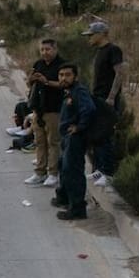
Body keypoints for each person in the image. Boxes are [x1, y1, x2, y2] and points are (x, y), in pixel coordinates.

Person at [82, 21, 126, 186]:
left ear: (102, 34)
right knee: (98, 136)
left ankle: (108, 173)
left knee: (106, 135)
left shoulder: (113, 50)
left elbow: (120, 73)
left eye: (92, 35)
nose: (89, 38)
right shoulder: (99, 52)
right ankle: (99, 170)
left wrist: (111, 97)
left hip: (106, 99)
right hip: (97, 97)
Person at [51, 64, 95, 221]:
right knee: (63, 167)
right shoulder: (68, 92)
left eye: (67, 75)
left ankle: (77, 209)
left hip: (75, 139)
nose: (63, 78)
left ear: (75, 77)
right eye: (61, 75)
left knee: (73, 172)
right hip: (67, 138)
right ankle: (63, 198)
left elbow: (89, 109)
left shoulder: (79, 91)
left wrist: (79, 127)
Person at [24, 38, 66, 188]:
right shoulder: (38, 64)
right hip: (38, 109)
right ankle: (40, 172)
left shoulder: (62, 65)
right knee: (40, 142)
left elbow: (64, 84)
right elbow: (29, 84)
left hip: (53, 109)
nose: (45, 53)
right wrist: (31, 79)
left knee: (53, 142)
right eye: (42, 50)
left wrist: (47, 81)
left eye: (48, 49)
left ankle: (53, 173)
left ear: (55, 49)